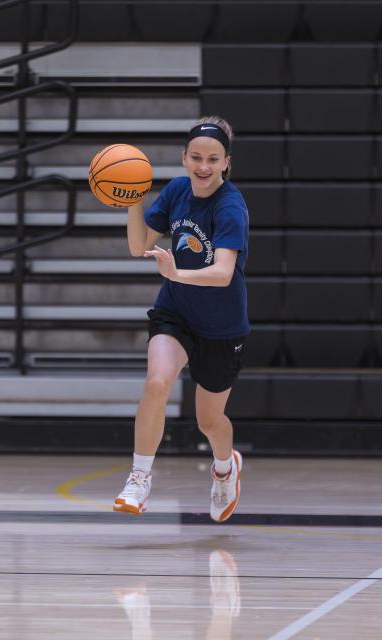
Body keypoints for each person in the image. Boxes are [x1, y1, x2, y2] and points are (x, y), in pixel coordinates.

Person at [113, 116, 249, 522]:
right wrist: (132, 198)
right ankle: (139, 477)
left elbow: (223, 272)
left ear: (226, 162)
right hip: (175, 313)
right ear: (183, 158)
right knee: (157, 382)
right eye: (195, 157)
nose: (202, 166)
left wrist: (178, 273)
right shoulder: (175, 191)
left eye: (212, 159)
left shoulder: (230, 206)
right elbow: (139, 245)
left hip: (222, 326)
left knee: (210, 421)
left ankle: (226, 468)